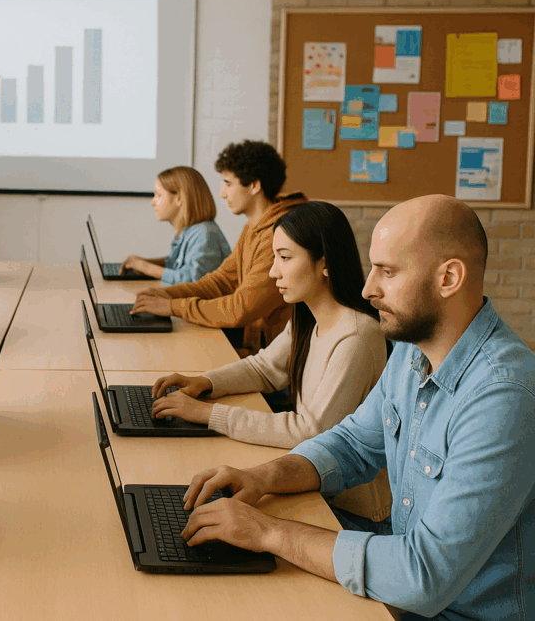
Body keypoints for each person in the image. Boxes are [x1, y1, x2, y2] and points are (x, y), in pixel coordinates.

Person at [178, 195, 535, 621]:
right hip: (406, 589)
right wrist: (260, 477)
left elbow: (422, 575)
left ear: (449, 278)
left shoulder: (502, 397)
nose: (368, 288)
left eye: (388, 271)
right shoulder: (411, 351)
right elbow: (352, 444)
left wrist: (269, 531)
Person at [150, 202, 390, 524]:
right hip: (307, 483)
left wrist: (208, 414)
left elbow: (310, 430)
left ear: (326, 263)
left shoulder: (357, 337)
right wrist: (206, 382)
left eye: (285, 258)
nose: (273, 271)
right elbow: (265, 368)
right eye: (275, 257)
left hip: (345, 507)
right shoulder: (308, 313)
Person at [132, 140, 306, 356]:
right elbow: (221, 281)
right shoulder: (253, 228)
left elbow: (240, 308)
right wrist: (165, 295)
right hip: (258, 349)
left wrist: (172, 306)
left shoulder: (279, 234)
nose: (222, 194)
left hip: (278, 366)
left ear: (254, 185)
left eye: (228, 183)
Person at [119, 166, 231, 286]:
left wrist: (145, 267)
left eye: (158, 195)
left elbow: (191, 280)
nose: (153, 202)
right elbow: (175, 263)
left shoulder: (205, 234)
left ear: (179, 198)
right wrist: (142, 263)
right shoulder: (189, 231)